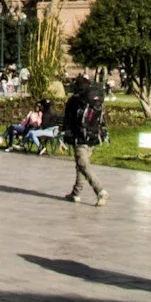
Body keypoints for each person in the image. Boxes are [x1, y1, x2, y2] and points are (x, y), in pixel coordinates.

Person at [62, 76, 109, 207]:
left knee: (83, 165)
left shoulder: (74, 100)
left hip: (80, 137)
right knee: (81, 165)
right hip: (93, 136)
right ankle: (76, 193)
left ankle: (100, 191)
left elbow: (68, 120)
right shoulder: (95, 99)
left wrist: (65, 135)